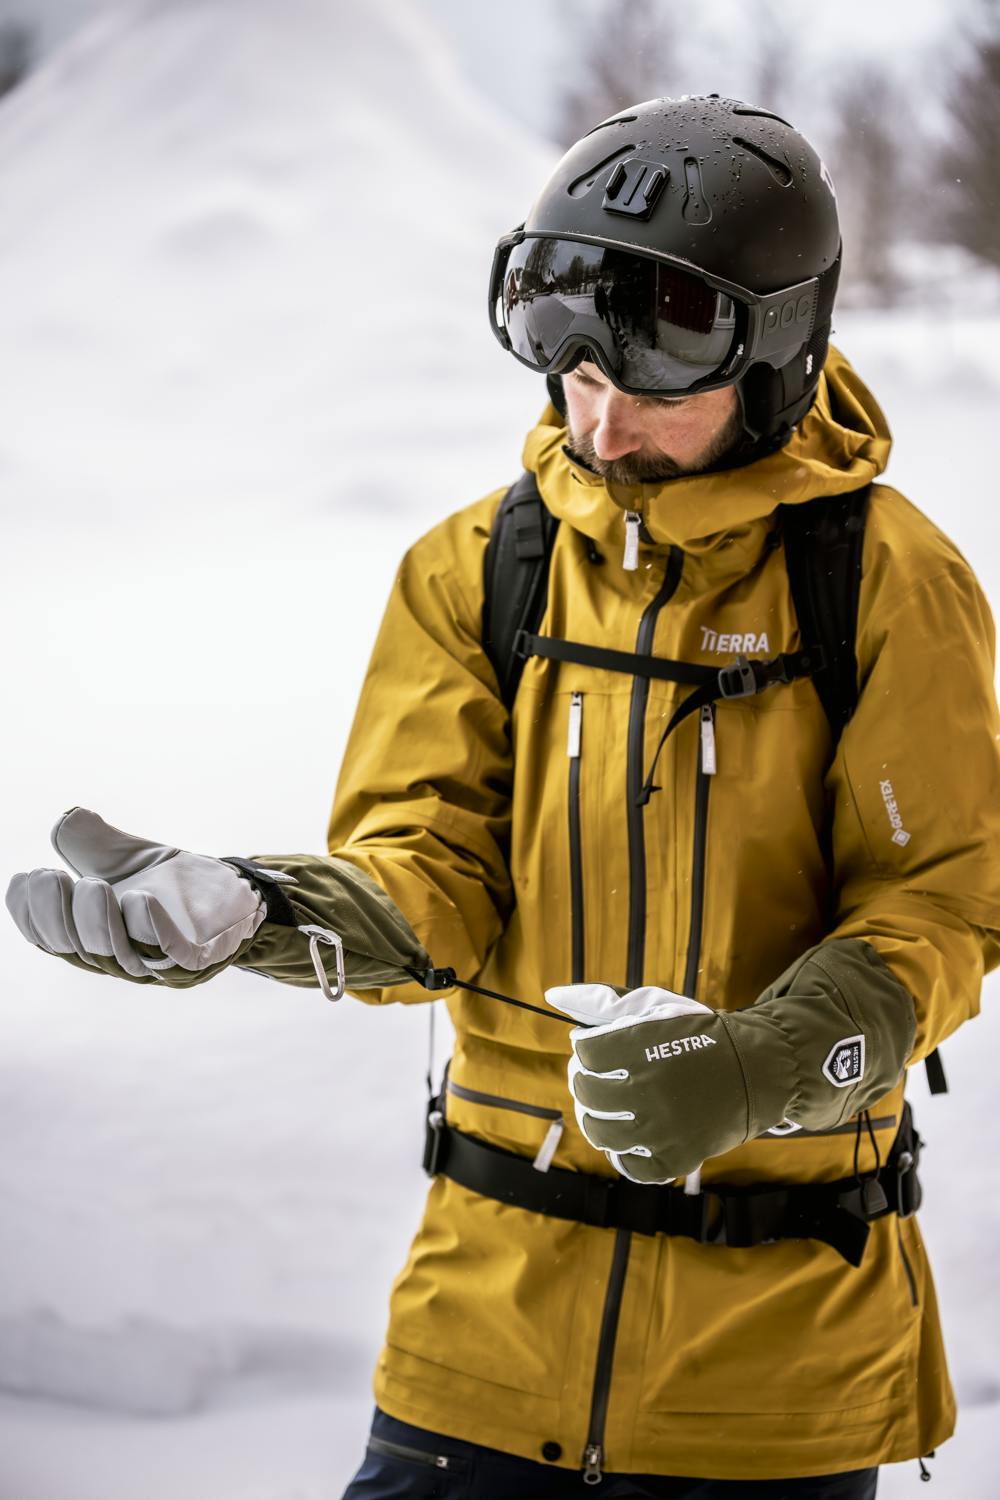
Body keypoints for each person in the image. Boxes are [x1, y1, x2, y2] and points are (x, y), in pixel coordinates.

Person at [7, 96, 1000, 1498]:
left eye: (653, 381)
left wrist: (760, 1068)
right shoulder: (478, 566)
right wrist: (262, 912)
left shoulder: (887, 585)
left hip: (775, 1380)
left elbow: (943, 907)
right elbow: (435, 878)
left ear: (775, 352)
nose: (599, 423)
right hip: (476, 1347)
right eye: (569, 372)